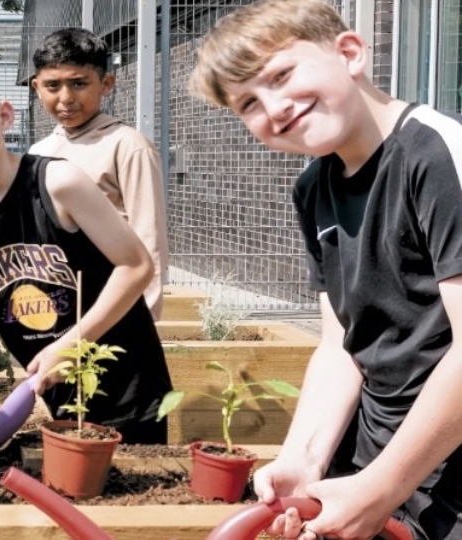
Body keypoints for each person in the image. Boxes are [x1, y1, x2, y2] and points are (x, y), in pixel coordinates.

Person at [189, 0, 462, 538]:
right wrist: (305, 459)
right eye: (249, 102)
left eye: (282, 74)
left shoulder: (435, 155)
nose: (275, 105)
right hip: (374, 462)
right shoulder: (314, 186)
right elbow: (342, 341)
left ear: (350, 53)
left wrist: (384, 486)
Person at [0, 63, 172, 446]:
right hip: (52, 381)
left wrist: (70, 345)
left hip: (127, 377)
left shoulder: (58, 182)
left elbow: (136, 265)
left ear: (4, 115)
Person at [28, 27, 169, 319]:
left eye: (78, 84)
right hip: (53, 310)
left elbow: (149, 237)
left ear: (106, 83)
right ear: (36, 87)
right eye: (53, 86)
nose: (66, 97)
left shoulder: (127, 145)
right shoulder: (36, 153)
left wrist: (144, 318)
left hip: (113, 308)